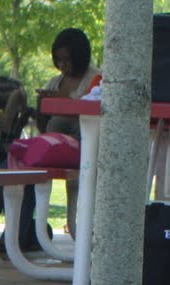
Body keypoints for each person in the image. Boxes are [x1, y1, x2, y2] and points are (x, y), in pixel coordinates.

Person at [33, 28, 100, 238]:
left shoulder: (96, 79)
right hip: (55, 146)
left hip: (84, 148)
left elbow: (93, 111)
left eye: (67, 60)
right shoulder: (55, 82)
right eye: (59, 60)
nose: (63, 65)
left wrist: (63, 102)